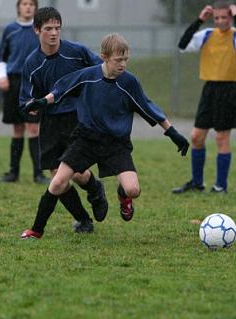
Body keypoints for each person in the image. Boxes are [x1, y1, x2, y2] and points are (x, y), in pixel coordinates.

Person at [20, 33, 189, 239]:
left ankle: (122, 195)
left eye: (126, 59)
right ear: (104, 57)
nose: (123, 64)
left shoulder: (129, 82)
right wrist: (43, 102)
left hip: (116, 145)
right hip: (85, 140)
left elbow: (148, 107)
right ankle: (36, 230)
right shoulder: (88, 75)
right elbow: (61, 89)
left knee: (133, 189)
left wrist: (172, 133)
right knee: (57, 182)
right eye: (118, 60)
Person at [18, 7, 107, 237]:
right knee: (57, 174)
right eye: (48, 29)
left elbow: (101, 70)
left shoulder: (76, 52)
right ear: (37, 30)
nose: (54, 33)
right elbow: (25, 100)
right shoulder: (32, 63)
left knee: (72, 173)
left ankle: (94, 189)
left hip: (77, 119)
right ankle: (83, 219)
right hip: (50, 122)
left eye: (57, 28)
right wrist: (34, 106)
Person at [172, 1, 236, 194]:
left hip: (230, 90)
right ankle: (197, 183)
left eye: (224, 17)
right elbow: (182, 44)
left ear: (230, 17)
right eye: (216, 18)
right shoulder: (206, 35)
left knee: (221, 138)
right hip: (209, 89)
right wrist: (200, 20)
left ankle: (220, 186)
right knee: (196, 137)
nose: (220, 21)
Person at [0, 0, 49, 184]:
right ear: (18, 6)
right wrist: (2, 77)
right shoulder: (10, 30)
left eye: (31, 4)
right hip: (14, 82)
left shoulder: (40, 30)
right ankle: (13, 173)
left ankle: (38, 174)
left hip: (34, 83)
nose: (28, 7)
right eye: (24, 3)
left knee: (34, 128)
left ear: (36, 7)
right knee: (17, 128)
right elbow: (1, 57)